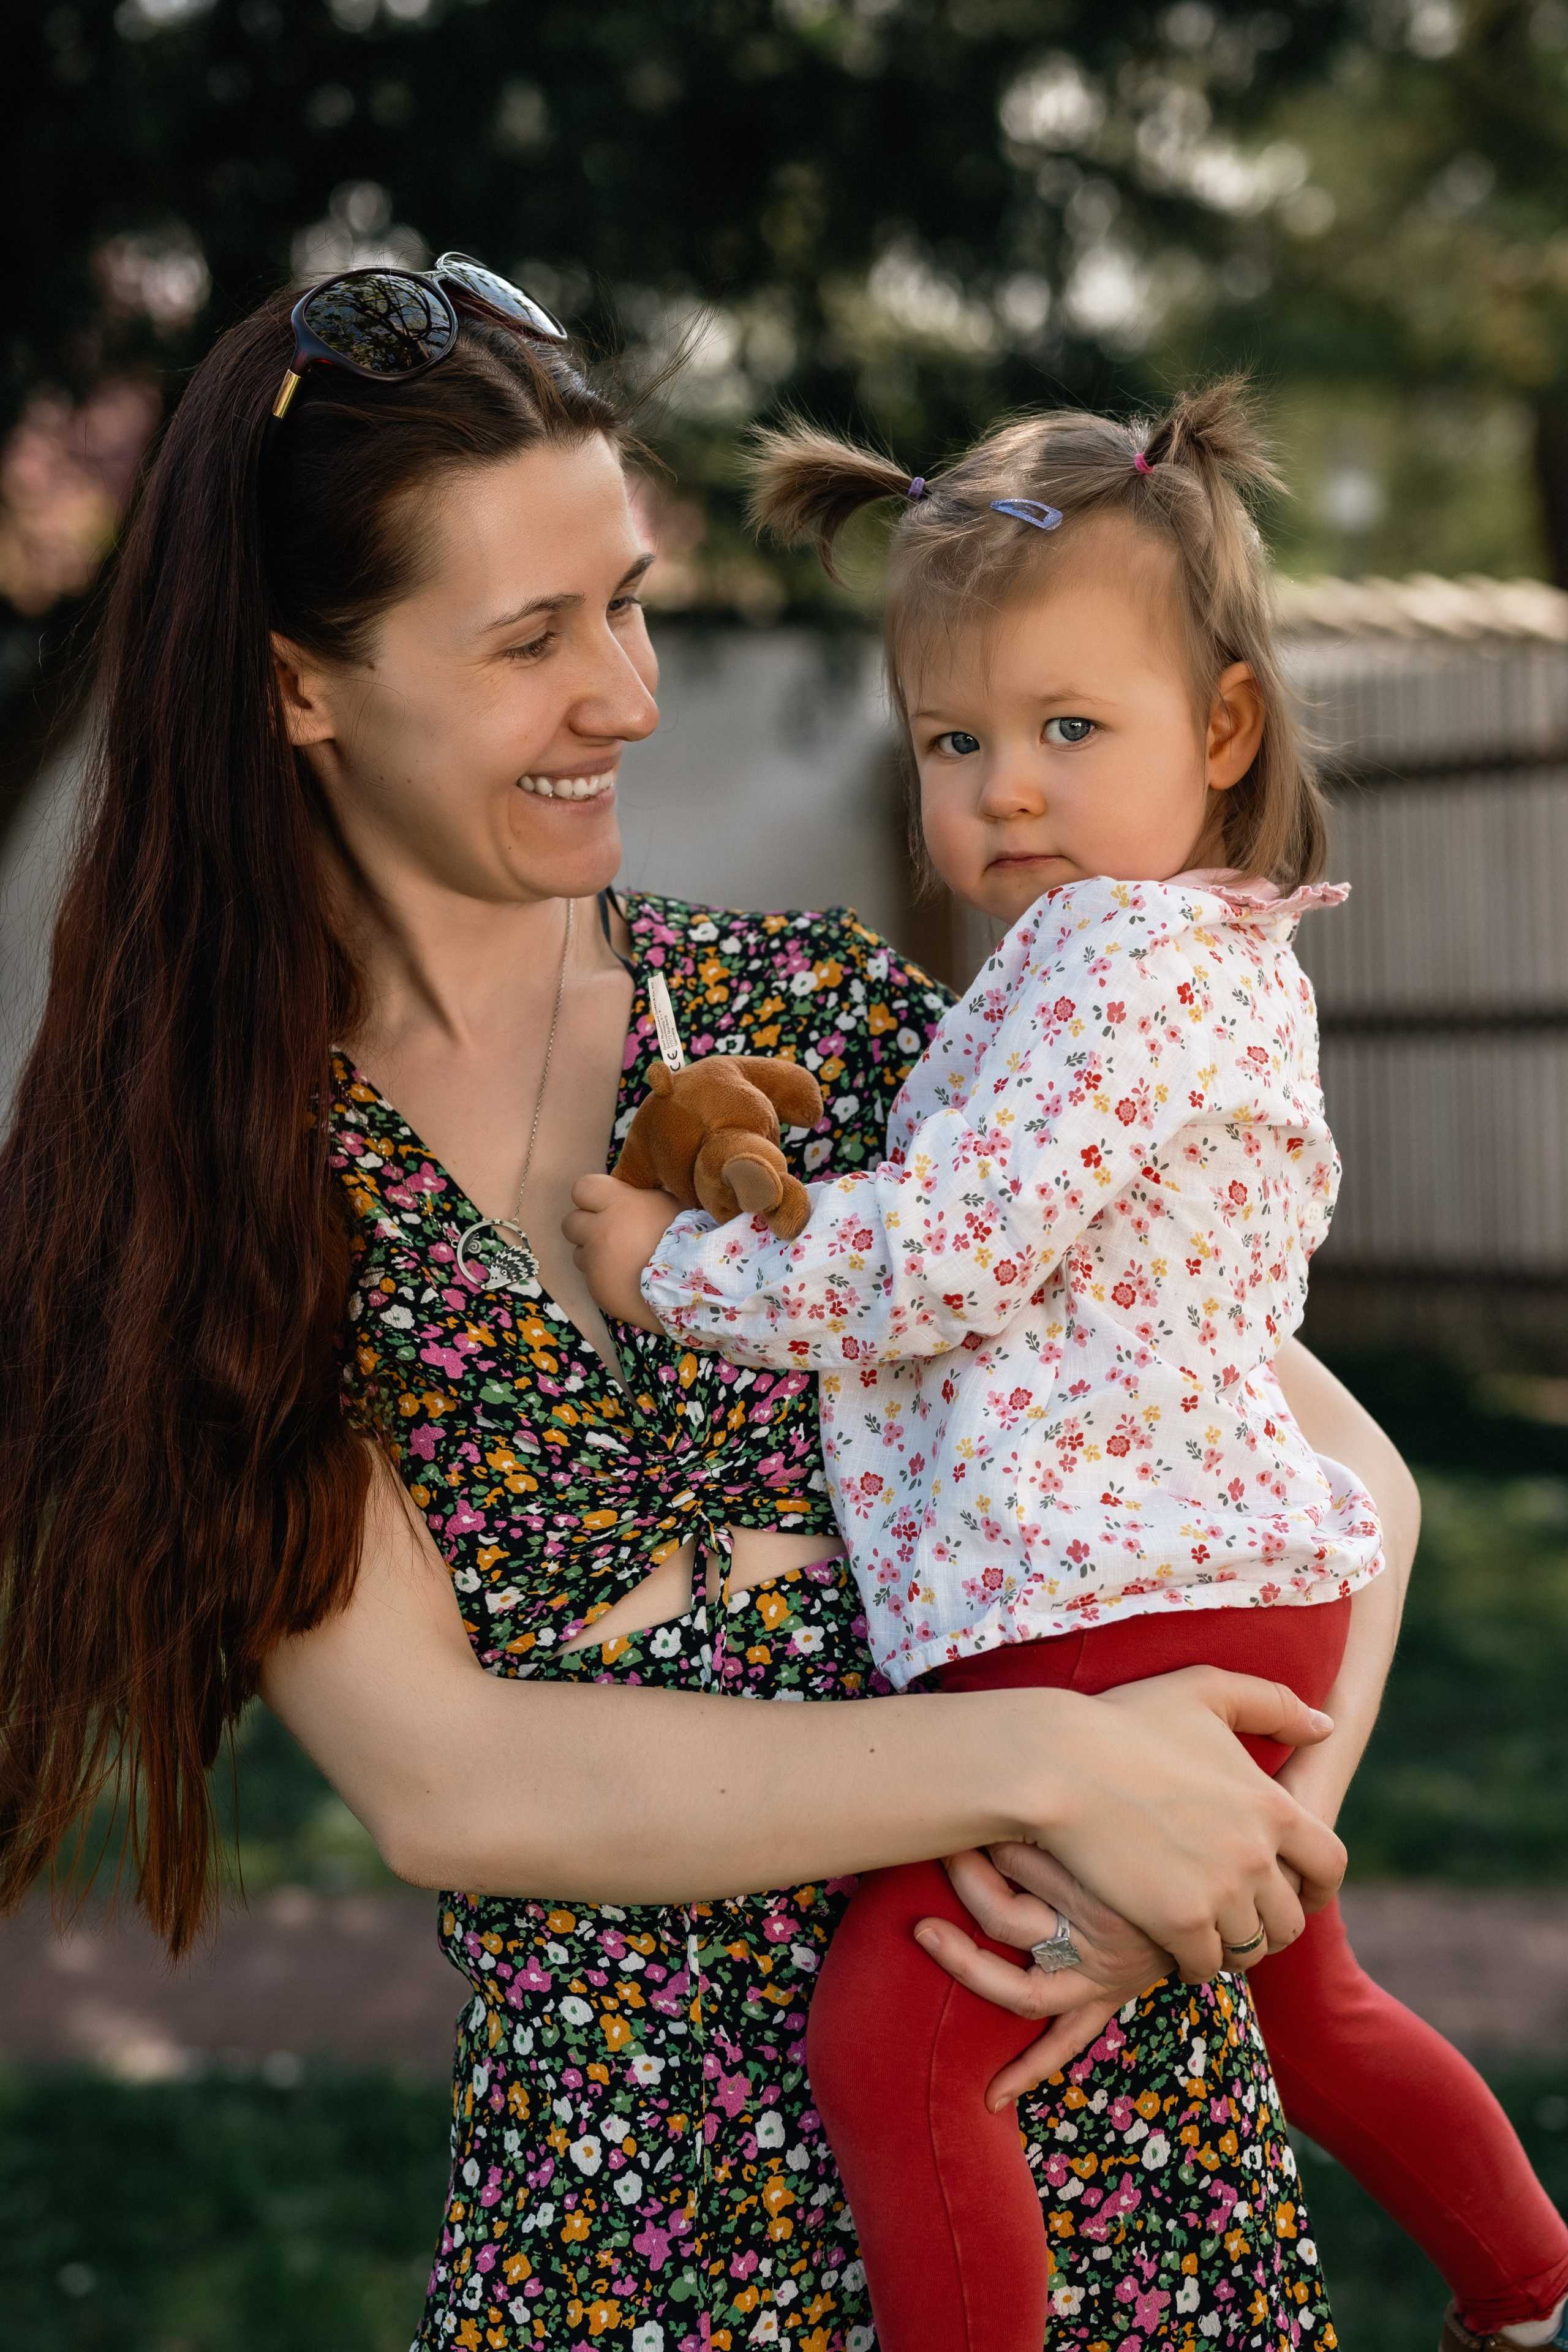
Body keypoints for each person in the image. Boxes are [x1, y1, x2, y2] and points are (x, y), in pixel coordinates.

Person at [0, 266, 1361, 2352]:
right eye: (534, 639)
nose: (628, 695)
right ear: (303, 688)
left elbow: (1334, 1472)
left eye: (625, 601)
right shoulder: (234, 1183)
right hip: (630, 2232)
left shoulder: (832, 1017)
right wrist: (1061, 1770)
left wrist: (1222, 1854)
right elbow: (457, 1777)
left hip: (1103, 2154)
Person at [571, 383, 1568, 2352]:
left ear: (1219, 735)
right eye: (958, 741)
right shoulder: (1135, 962)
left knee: (893, 2047)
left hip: (1126, 1610)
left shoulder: (1124, 965)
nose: (1004, 790)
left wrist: (668, 1261)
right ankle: (1530, 2286)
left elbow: (946, 1253)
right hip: (1210, 1583)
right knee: (1311, 2009)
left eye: (1067, 731)